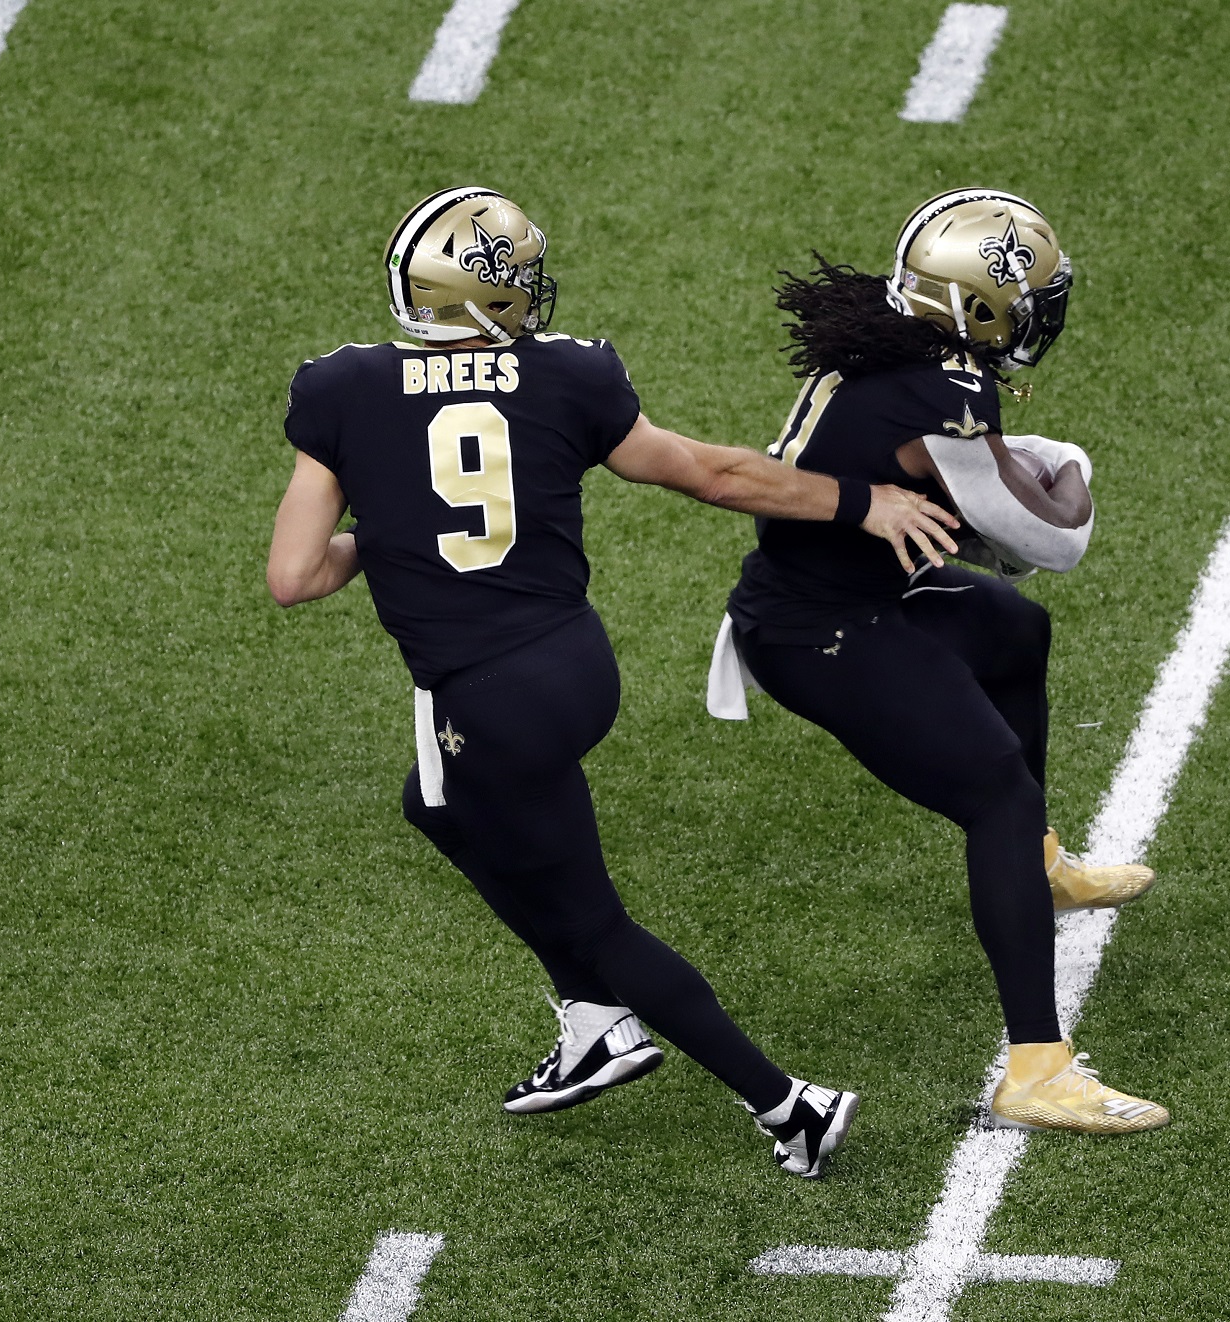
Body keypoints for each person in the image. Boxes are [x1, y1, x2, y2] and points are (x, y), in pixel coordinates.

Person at [266, 186, 958, 1177]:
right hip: (575, 664)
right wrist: (860, 501)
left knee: (595, 922)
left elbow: (296, 576)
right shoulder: (569, 372)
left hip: (486, 698)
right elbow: (712, 473)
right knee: (433, 803)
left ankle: (786, 1103)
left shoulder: (338, 388)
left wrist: (387, 530)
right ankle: (591, 1014)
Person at [708, 188, 1170, 1135]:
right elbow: (1050, 538)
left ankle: (1038, 867)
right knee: (997, 794)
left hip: (854, 591)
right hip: (822, 632)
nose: (1041, 314)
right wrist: (1071, 463)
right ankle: (1036, 1069)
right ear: (979, 306)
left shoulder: (891, 343)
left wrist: (1009, 461)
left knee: (1013, 631)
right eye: (1030, 298)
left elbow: (964, 475)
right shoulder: (942, 389)